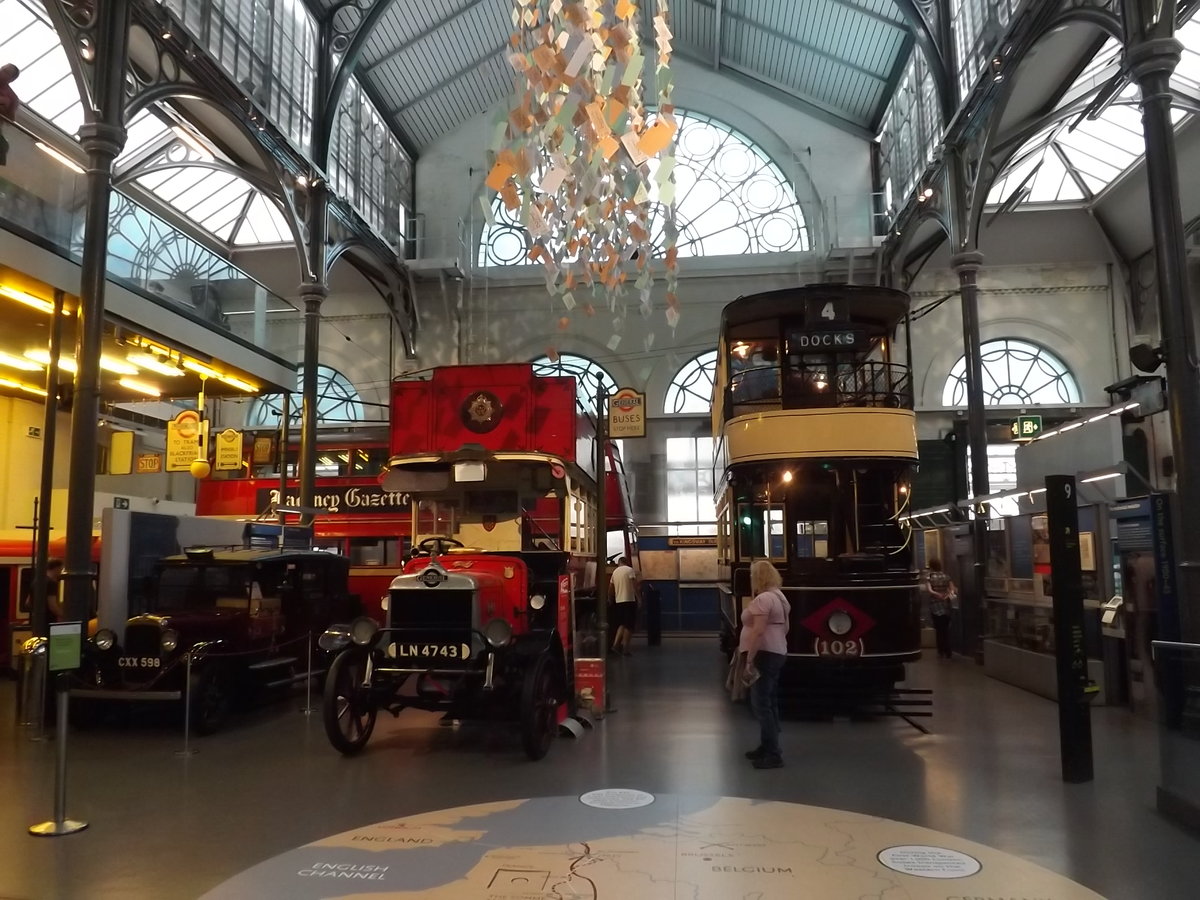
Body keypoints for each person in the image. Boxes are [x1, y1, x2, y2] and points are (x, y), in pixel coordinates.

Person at [742, 559, 790, 769]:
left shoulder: (763, 599)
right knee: (770, 701)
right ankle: (766, 745)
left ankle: (773, 753)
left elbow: (758, 631)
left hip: (764, 654)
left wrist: (750, 658)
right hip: (778, 651)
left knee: (761, 704)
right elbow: (785, 627)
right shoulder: (780, 597)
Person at [925, 558, 956, 660]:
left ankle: (941, 650)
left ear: (931, 566)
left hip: (935, 605)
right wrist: (946, 595)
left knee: (939, 629)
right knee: (946, 629)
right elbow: (952, 589)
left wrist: (937, 594)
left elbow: (929, 590)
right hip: (946, 605)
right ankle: (948, 651)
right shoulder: (946, 576)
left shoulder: (929, 577)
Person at [609, 556, 638, 656]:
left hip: (619, 601)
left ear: (619, 562)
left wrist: (610, 599)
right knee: (629, 626)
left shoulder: (615, 572)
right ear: (626, 562)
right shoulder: (630, 570)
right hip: (629, 600)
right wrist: (639, 598)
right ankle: (625, 649)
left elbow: (610, 588)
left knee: (621, 624)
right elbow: (634, 585)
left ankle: (615, 645)